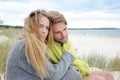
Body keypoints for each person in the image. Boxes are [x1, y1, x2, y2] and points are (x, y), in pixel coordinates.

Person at [6, 9, 82, 80]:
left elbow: (50, 72)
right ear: (31, 26)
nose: (44, 31)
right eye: (41, 26)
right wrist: (67, 56)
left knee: (73, 73)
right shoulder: (27, 45)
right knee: (74, 74)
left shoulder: (24, 43)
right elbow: (54, 75)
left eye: (47, 28)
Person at [47, 10, 114, 80]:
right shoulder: (47, 47)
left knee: (108, 75)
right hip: (71, 75)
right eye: (57, 32)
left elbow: (75, 61)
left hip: (80, 71)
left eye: (64, 29)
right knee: (99, 79)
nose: (63, 35)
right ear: (50, 33)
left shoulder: (67, 42)